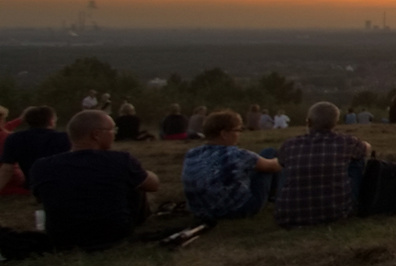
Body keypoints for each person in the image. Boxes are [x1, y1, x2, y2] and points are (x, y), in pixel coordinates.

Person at [30, 110, 159, 250]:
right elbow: (153, 185)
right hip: (114, 233)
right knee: (136, 183)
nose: (115, 133)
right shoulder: (121, 160)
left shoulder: (41, 166)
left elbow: (40, 199)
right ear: (96, 134)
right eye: (112, 129)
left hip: (61, 237)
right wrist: (138, 171)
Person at [274, 102, 372, 229]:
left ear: (308, 122)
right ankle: (353, 201)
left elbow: (281, 164)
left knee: (286, 167)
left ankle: (284, 198)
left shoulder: (289, 145)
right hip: (336, 213)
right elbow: (366, 150)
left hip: (288, 216)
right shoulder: (346, 142)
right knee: (357, 160)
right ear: (335, 123)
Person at [182, 110, 281, 220]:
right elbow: (274, 166)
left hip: (201, 211)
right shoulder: (237, 155)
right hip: (238, 209)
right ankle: (281, 197)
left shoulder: (192, 154)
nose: (239, 134)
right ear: (224, 134)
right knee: (269, 152)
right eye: (238, 130)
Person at [2, 106, 71, 192]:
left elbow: (7, 169)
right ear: (51, 121)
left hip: (33, 185)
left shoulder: (14, 138)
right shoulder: (65, 138)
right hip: (61, 185)